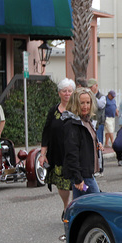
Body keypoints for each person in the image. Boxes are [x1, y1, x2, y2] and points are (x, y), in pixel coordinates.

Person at [39, 78, 76, 220]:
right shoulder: (53, 111)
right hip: (57, 153)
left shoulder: (77, 109)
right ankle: (66, 205)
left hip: (73, 152)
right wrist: (43, 154)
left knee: (77, 182)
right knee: (62, 184)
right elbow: (46, 132)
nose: (67, 94)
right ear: (59, 93)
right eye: (64, 91)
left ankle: (75, 207)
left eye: (69, 91)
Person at [62, 88, 101, 199]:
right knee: (97, 202)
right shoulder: (72, 124)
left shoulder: (86, 120)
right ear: (75, 104)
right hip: (82, 175)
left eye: (88, 102)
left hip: (86, 172)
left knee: (80, 204)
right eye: (82, 103)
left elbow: (87, 142)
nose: (85, 106)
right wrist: (78, 179)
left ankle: (69, 216)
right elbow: (71, 153)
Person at [87, 78, 106, 145]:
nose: (89, 88)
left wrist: (92, 97)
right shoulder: (87, 96)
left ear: (96, 86)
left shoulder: (102, 97)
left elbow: (100, 105)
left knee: (98, 142)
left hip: (99, 123)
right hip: (89, 122)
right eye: (88, 87)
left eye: (91, 86)